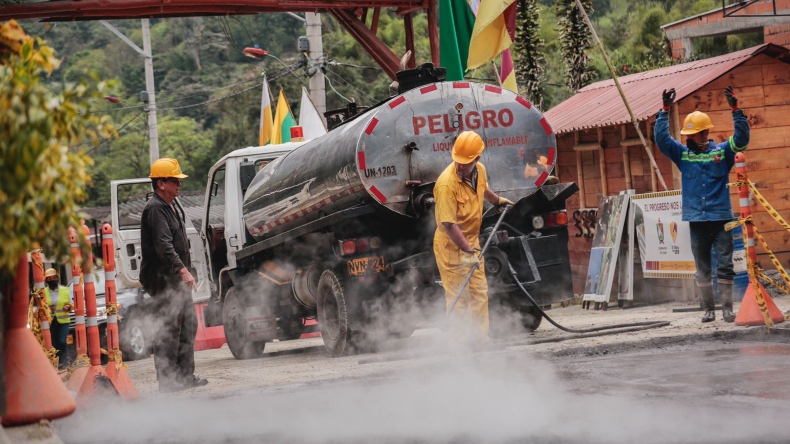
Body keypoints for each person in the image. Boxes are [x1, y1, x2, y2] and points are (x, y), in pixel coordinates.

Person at [655, 86, 749, 323]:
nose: (688, 138)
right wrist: (664, 110)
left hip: (722, 219)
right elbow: (662, 139)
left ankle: (727, 310)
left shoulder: (723, 152)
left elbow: (742, 140)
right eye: (688, 135)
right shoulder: (683, 155)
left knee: (725, 265)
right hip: (697, 220)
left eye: (693, 134)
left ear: (705, 133)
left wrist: (736, 110)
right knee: (703, 268)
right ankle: (709, 311)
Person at [433, 131, 514, 344]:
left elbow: (482, 188)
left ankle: (479, 340)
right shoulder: (446, 184)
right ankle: (460, 345)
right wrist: (468, 251)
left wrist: (497, 201)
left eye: (466, 162)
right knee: (459, 297)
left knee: (479, 292)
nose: (461, 165)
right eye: (458, 161)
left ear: (477, 158)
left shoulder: (480, 170)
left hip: (471, 242)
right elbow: (449, 224)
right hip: (450, 246)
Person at [140, 158, 208, 392]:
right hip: (164, 280)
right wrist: (182, 270)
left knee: (188, 325)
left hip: (175, 280)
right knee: (169, 329)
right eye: (174, 181)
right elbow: (164, 245)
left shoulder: (170, 205)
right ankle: (168, 381)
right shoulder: (155, 208)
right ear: (161, 184)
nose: (179, 184)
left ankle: (185, 376)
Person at [44, 268, 72, 369]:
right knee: (54, 343)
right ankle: (58, 362)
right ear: (46, 280)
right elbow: (41, 307)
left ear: (57, 278)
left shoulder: (65, 290)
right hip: (51, 321)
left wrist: (68, 306)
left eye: (53, 278)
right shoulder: (43, 292)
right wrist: (48, 309)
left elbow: (71, 303)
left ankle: (66, 360)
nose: (51, 280)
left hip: (63, 320)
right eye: (49, 278)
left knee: (62, 341)